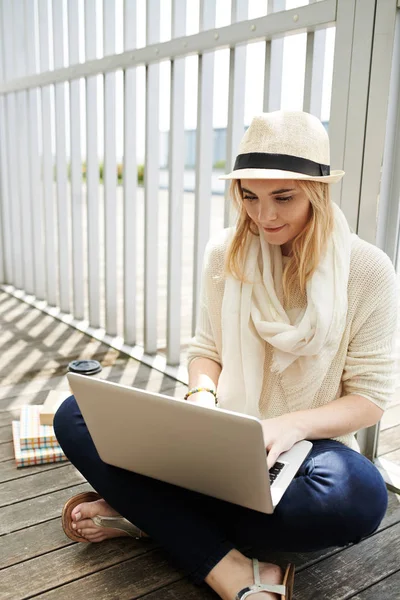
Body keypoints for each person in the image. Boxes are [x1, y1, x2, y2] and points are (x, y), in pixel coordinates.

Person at [54, 111, 397, 600]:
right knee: (74, 413)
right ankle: (229, 569)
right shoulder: (226, 253)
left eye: (284, 197)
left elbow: (369, 399)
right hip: (218, 435)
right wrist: (201, 394)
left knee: (358, 497)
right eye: (250, 197)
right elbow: (206, 351)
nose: (265, 216)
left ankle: (147, 513)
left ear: (317, 192)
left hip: (302, 450)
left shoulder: (367, 270)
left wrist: (290, 425)